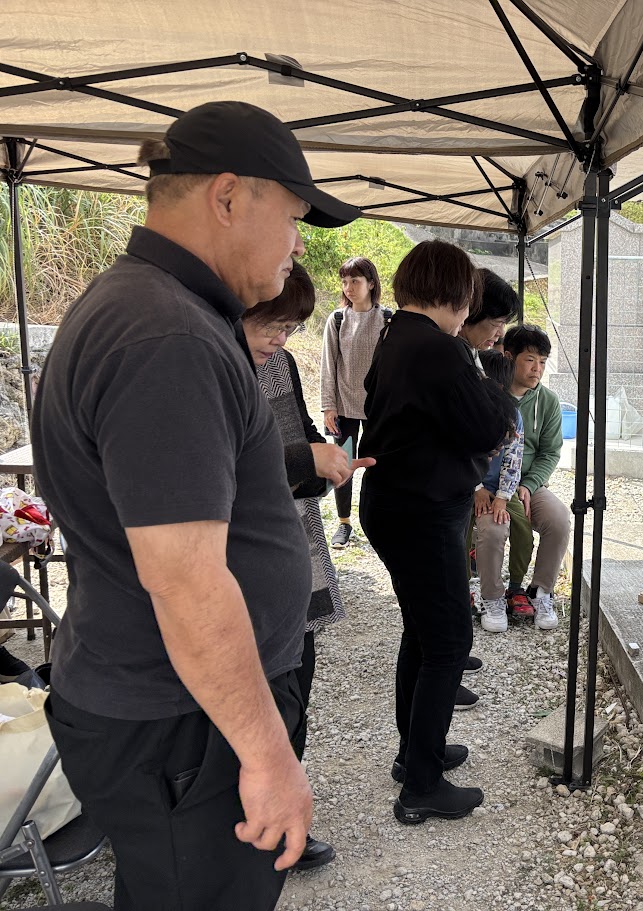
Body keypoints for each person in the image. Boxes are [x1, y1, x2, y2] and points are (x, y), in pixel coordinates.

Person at [30, 100, 359, 910]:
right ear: (227, 196)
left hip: (177, 713)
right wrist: (268, 754)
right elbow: (185, 579)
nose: (297, 244)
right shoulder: (166, 335)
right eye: (292, 219)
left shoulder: (154, 310)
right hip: (182, 723)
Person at [358, 240, 516, 825]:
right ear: (455, 295)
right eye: (469, 300)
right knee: (448, 642)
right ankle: (422, 784)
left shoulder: (397, 334)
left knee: (423, 635)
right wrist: (494, 396)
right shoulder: (438, 348)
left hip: (397, 504)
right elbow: (489, 425)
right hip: (421, 511)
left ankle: (414, 753)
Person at [241, 261, 375, 871]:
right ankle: (259, 830)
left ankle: (282, 816)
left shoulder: (281, 363)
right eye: (271, 324)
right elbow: (228, 459)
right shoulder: (212, 364)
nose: (280, 339)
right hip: (245, 556)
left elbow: (296, 430)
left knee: (298, 677)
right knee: (262, 696)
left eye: (291, 327)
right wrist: (307, 459)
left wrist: (325, 465)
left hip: (295, 541)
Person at [478, 324, 570, 628]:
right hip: (486, 485)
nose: (537, 369)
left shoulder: (548, 401)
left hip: (528, 483)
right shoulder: (489, 394)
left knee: (559, 520)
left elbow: (550, 453)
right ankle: (492, 597)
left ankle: (540, 591)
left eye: (542, 362)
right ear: (508, 357)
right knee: (493, 529)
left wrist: (528, 485)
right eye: (530, 360)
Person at [320, 256, 389, 548]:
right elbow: (328, 365)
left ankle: (375, 520)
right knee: (343, 465)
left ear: (371, 283)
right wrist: (328, 406)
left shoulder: (388, 319)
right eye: (344, 281)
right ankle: (344, 523)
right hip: (345, 407)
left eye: (355, 281)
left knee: (376, 465)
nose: (348, 287)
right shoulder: (337, 319)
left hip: (378, 409)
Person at [474, 350, 525, 632]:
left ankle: (514, 589)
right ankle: (474, 591)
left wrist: (503, 498)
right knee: (460, 532)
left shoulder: (513, 415)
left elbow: (513, 460)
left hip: (501, 490)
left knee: (515, 526)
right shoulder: (464, 408)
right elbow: (458, 454)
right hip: (465, 486)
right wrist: (477, 488)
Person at [459, 268, 521, 357]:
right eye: (498, 323)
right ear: (474, 313)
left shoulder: (470, 352)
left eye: (503, 324)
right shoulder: (452, 356)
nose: (501, 333)